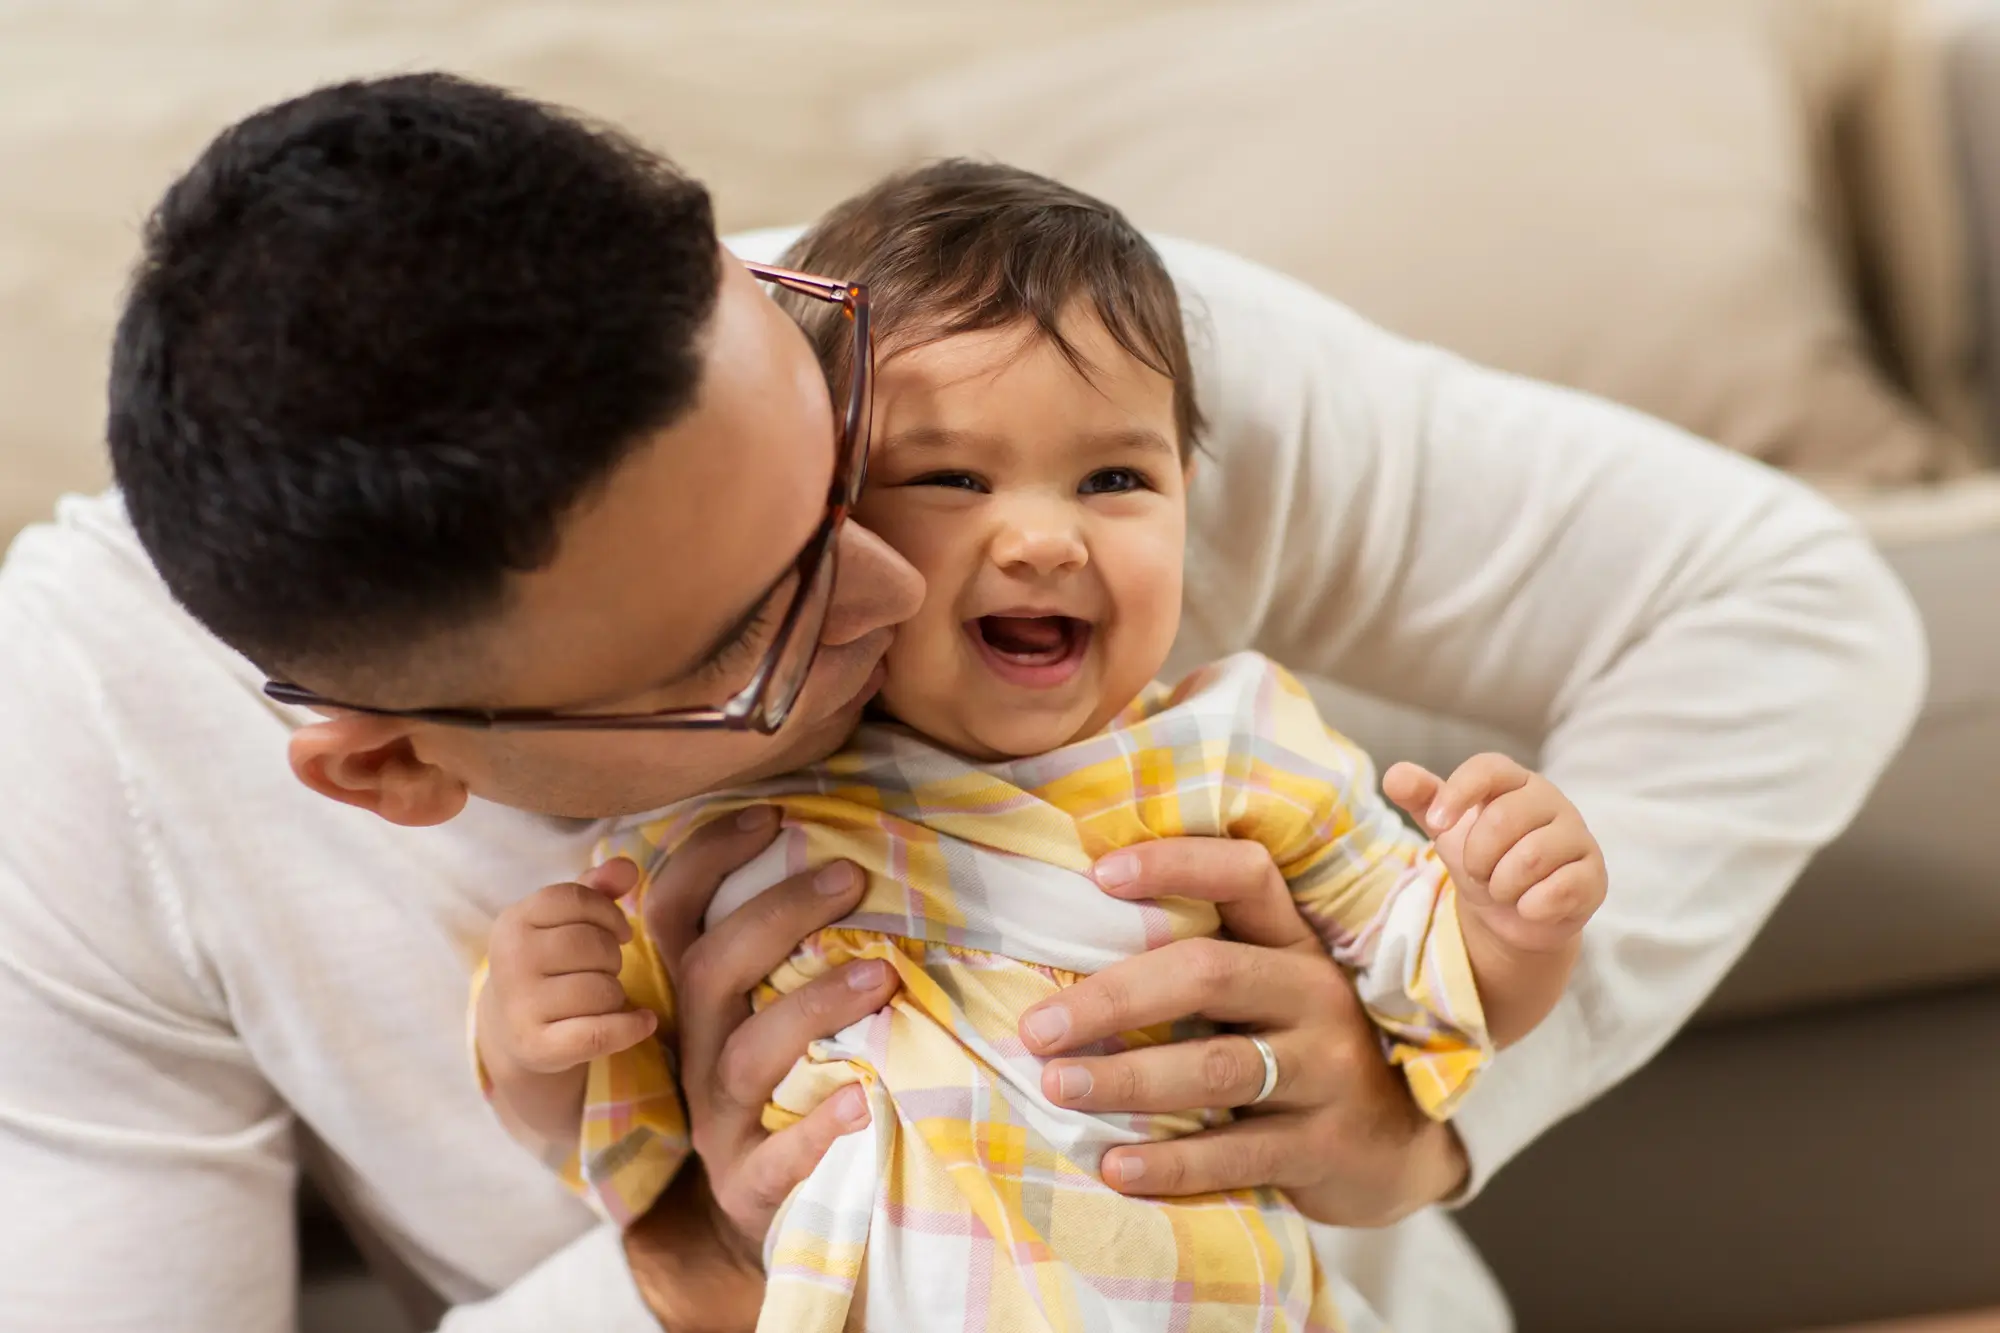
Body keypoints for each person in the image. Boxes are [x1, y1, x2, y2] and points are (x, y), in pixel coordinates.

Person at [0, 73, 1922, 1333]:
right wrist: (682, 1265)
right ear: (395, 762)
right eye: (753, 624)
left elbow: (1780, 599)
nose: (910, 576)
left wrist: (1425, 1101)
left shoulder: (990, 359)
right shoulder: (87, 752)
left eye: (827, 447)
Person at [472, 161, 1609, 1331]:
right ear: (817, 517)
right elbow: (623, 1123)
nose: (1041, 538)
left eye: (1114, 477)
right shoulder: (737, 798)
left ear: (1187, 496)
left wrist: (1510, 917)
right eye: (951, 478)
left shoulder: (1231, 751)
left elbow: (1434, 993)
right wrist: (535, 1036)